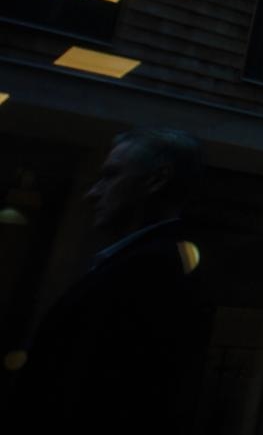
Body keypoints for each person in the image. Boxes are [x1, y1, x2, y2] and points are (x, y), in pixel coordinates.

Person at [11, 127, 204, 433]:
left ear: (155, 180)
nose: (93, 193)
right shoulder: (143, 267)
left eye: (111, 175)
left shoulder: (148, 275)